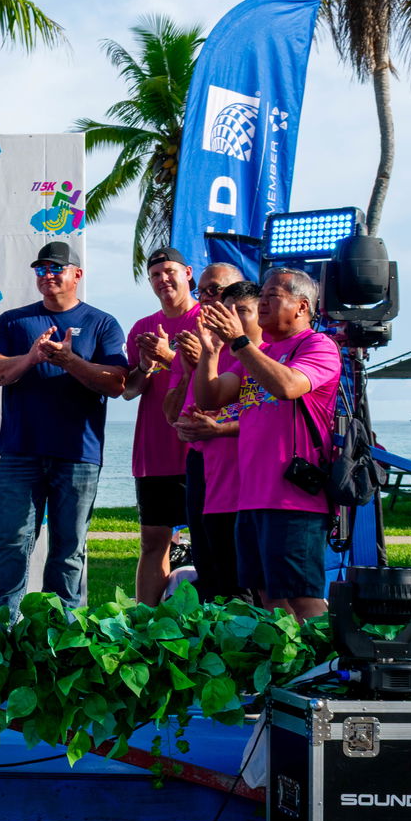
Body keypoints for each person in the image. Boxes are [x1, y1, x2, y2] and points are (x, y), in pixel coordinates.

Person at [0, 241, 127, 621]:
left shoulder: (102, 323)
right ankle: (0, 633)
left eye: (56, 268)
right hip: (20, 452)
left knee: (69, 549)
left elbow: (117, 383)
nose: (47, 275)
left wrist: (70, 361)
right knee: (12, 544)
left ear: (77, 274)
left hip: (78, 455)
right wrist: (31, 357)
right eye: (41, 269)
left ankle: (60, 632)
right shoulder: (13, 322)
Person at [194, 267, 341, 620]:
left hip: (294, 499)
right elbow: (210, 397)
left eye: (272, 295)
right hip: (252, 497)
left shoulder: (317, 345)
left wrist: (239, 343)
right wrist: (210, 353)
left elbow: (288, 386)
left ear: (302, 307)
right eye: (261, 296)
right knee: (268, 597)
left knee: (302, 597)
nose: (262, 302)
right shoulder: (261, 353)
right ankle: (287, 655)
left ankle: (327, 655)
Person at [122, 247, 201, 605]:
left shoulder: (207, 320)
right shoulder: (142, 327)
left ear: (188, 272)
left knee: (211, 539)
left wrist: (169, 357)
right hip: (154, 451)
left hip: (201, 446)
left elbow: (220, 379)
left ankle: (214, 618)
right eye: (155, 275)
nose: (163, 279)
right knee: (153, 541)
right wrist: (144, 365)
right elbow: (130, 391)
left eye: (170, 271)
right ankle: (146, 619)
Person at [171, 278, 256, 603]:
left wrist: (219, 429)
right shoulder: (218, 353)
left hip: (248, 485)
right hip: (210, 477)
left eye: (242, 311)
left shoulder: (266, 357)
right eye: (227, 309)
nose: (231, 317)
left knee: (250, 587)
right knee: (212, 576)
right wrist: (189, 426)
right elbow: (201, 404)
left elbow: (270, 419)